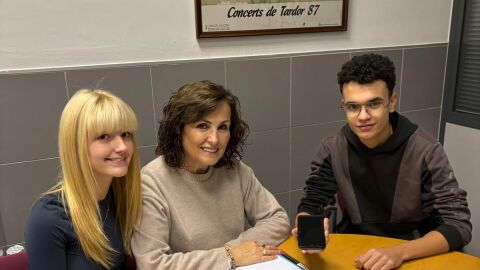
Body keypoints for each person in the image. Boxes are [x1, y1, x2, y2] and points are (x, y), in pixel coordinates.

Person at [294, 54, 472, 269]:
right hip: (356, 250)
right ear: (343, 105)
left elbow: (459, 225)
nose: (363, 116)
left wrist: (400, 252)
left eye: (374, 104)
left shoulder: (425, 149)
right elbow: (312, 200)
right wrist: (305, 224)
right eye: (353, 107)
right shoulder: (333, 147)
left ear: (392, 102)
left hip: (415, 252)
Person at [131, 80, 290, 270]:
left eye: (222, 127)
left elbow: (278, 220)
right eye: (202, 126)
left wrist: (233, 252)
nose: (214, 139)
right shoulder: (151, 183)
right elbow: (152, 264)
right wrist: (229, 257)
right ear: (179, 130)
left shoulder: (235, 170)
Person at [24, 89, 142, 269]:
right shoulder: (49, 217)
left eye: (126, 134)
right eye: (104, 137)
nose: (122, 147)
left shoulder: (118, 198)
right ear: (76, 146)